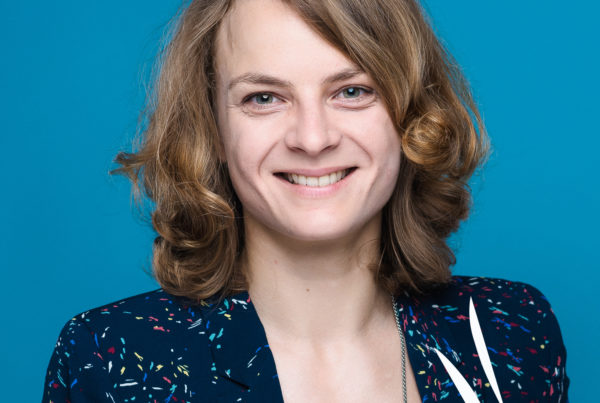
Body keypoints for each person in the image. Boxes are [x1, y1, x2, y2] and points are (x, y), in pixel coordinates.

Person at [42, 0, 569, 401]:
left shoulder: (512, 332)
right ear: (213, 130)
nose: (312, 139)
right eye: (264, 98)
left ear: (409, 117)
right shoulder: (109, 361)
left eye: (352, 91)